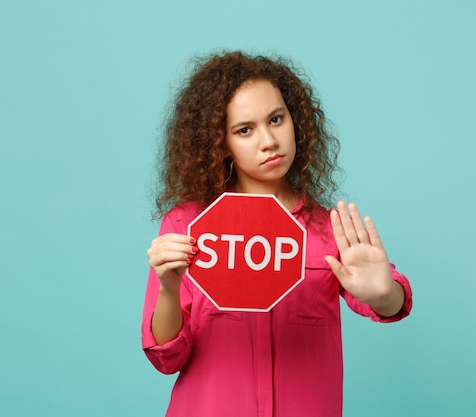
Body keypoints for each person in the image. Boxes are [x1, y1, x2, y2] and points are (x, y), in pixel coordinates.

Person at [142, 51, 413, 417]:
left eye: (276, 119)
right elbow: (166, 358)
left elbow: (389, 302)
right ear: (221, 143)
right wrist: (170, 288)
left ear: (295, 121)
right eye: (244, 129)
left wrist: (386, 294)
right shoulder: (187, 225)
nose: (268, 140)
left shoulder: (327, 228)